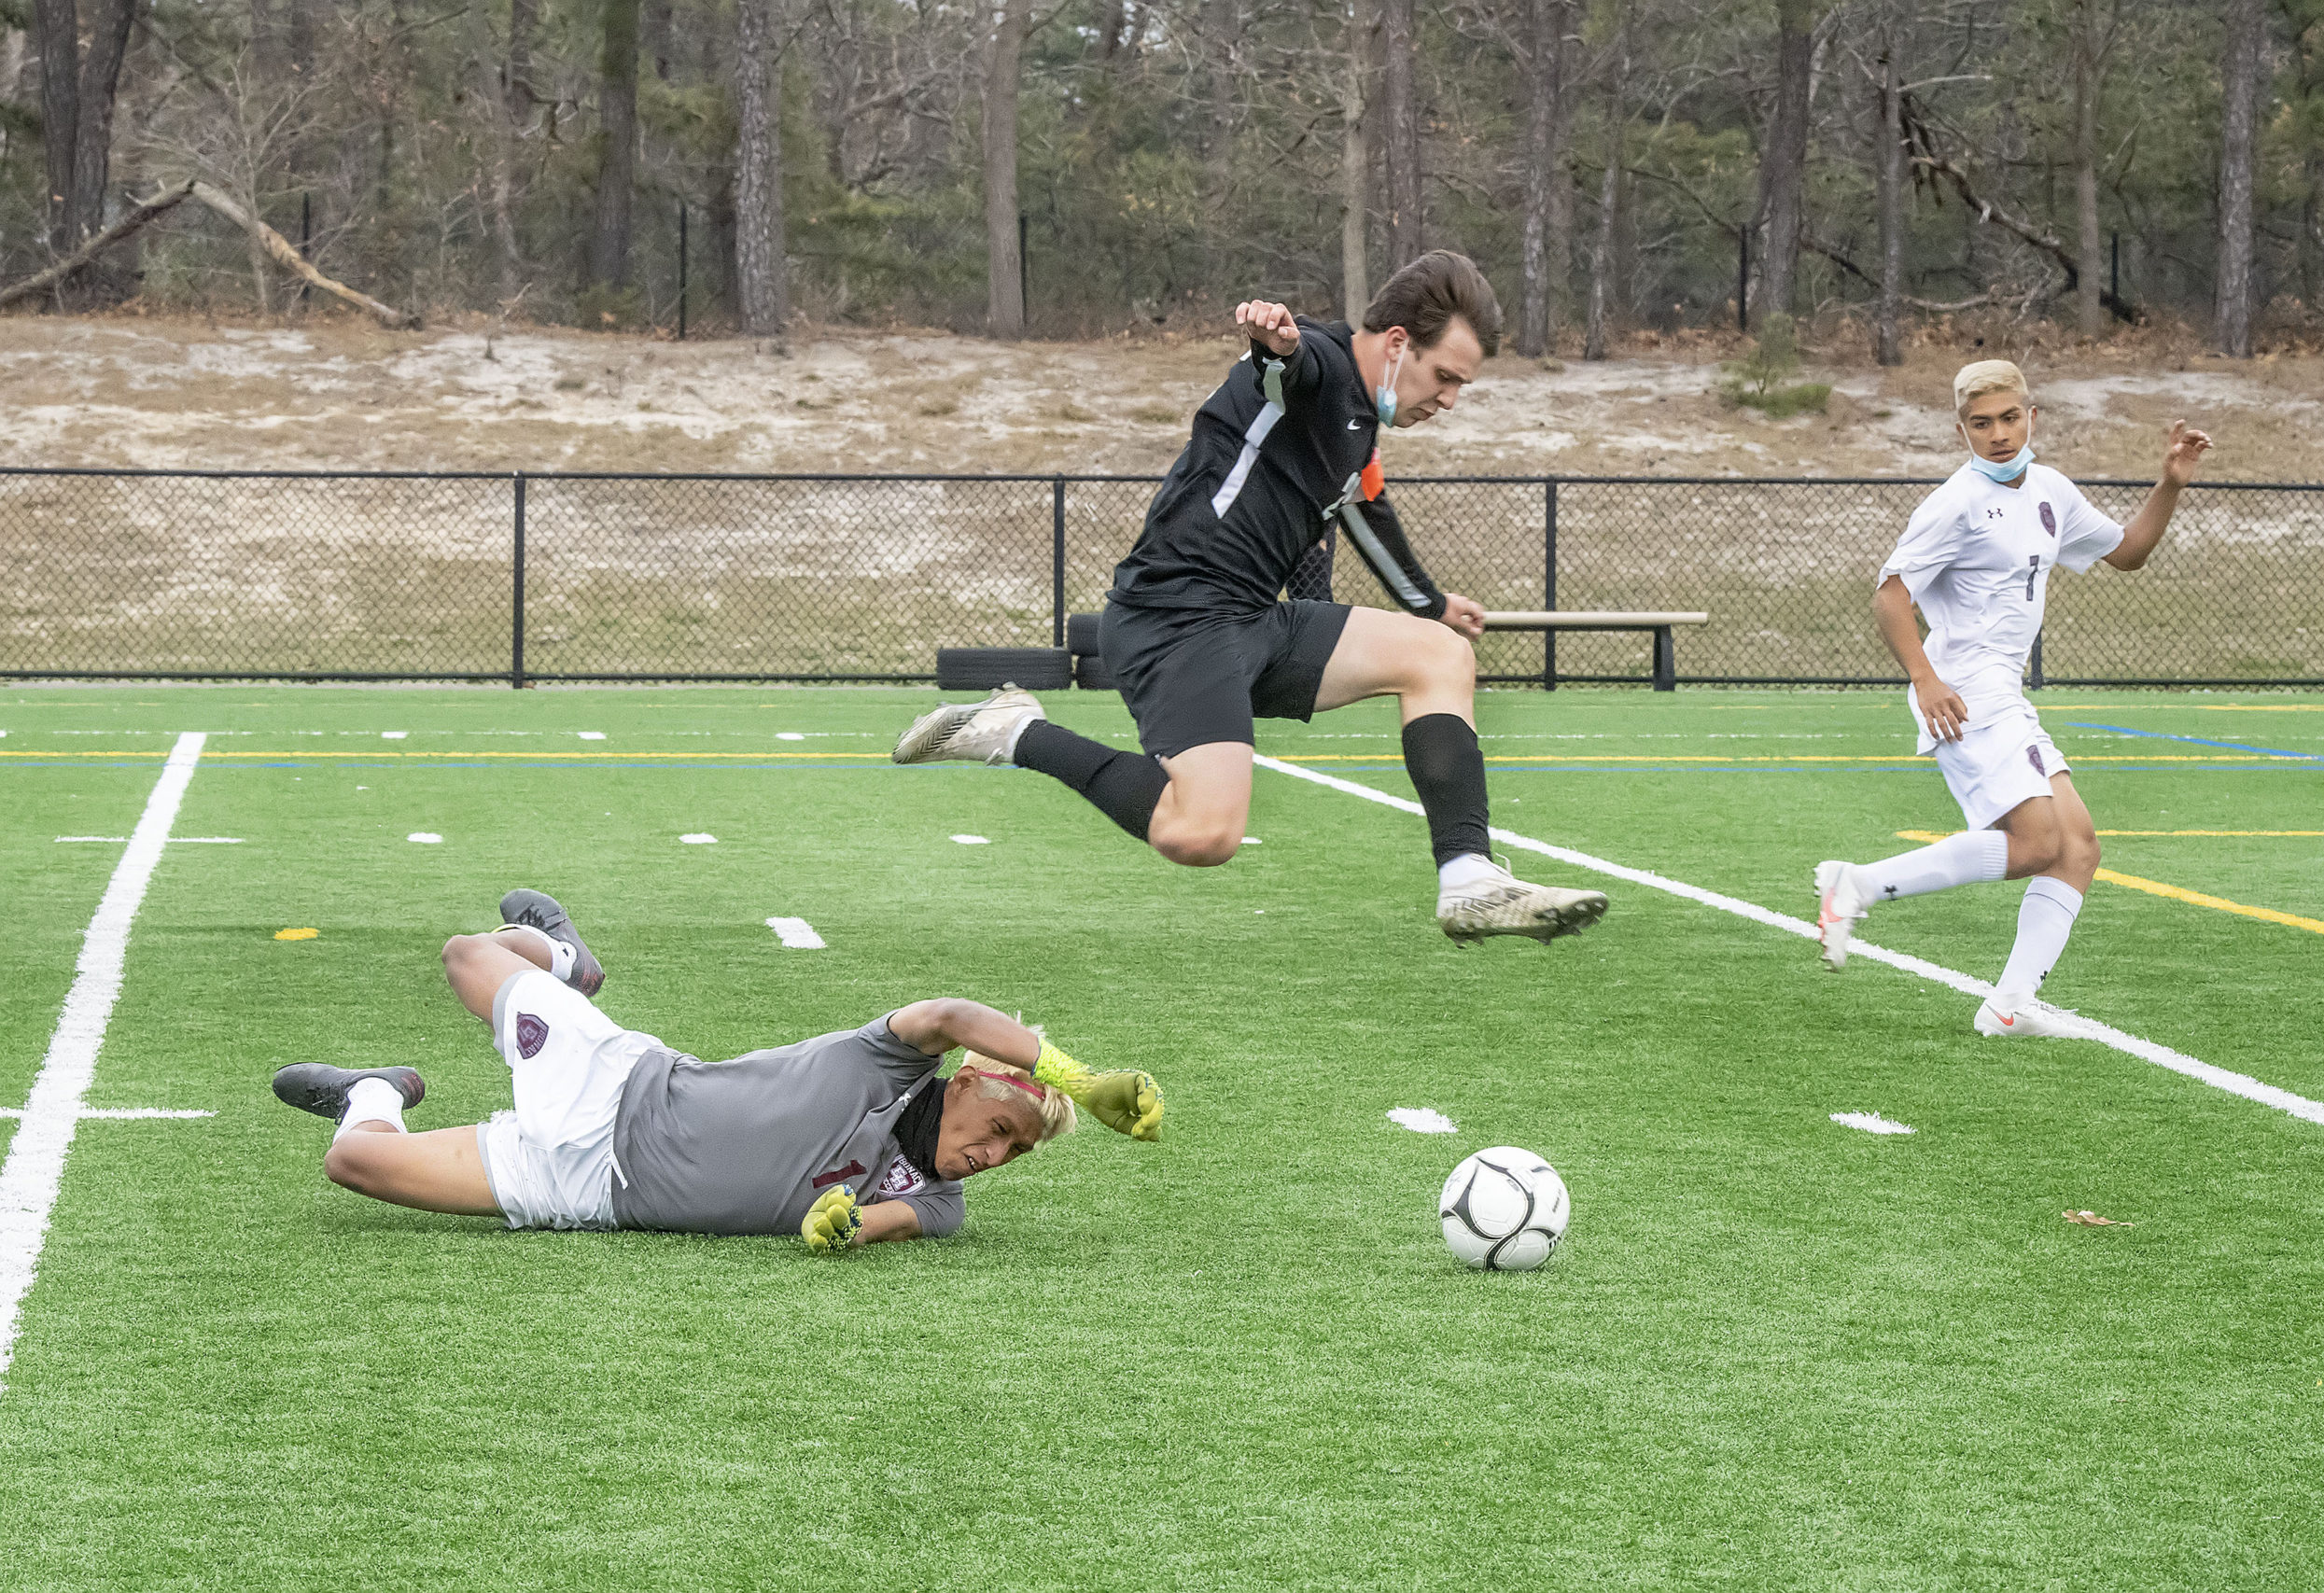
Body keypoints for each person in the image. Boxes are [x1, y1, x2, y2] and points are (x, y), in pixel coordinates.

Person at [893, 251, 1607, 947]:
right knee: (1201, 834)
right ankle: (1018, 731)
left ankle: (1468, 878)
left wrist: (1430, 605)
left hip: (1255, 621)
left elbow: (1364, 509)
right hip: (1173, 619)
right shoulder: (1321, 366)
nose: (1449, 399)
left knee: (1439, 656)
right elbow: (1288, 370)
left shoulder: (1359, 423)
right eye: (1445, 377)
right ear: (1397, 344)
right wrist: (1275, 345)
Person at [269, 889, 1162, 1249]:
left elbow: (876, 1225)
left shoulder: (943, 1202)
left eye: (1015, 1155)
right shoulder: (887, 1058)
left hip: (586, 1193)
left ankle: (370, 1089)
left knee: (354, 1164)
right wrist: (1077, 1079)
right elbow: (953, 1013)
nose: (993, 1155)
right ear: (968, 1078)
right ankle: (565, 960)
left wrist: (838, 1225)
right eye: (1002, 1128)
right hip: (617, 1092)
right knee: (468, 956)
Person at [1813, 360, 2212, 1036]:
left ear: (2033, 415)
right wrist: (1924, 678)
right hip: (1964, 691)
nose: (1998, 434)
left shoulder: (2051, 489)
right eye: (1981, 423)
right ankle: (1854, 886)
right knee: (2034, 843)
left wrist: (2169, 485)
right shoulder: (1956, 501)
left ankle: (2009, 1005)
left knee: (2078, 847)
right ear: (1961, 429)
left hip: (2003, 690)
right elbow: (1890, 595)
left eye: (2009, 417)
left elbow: (2127, 552)